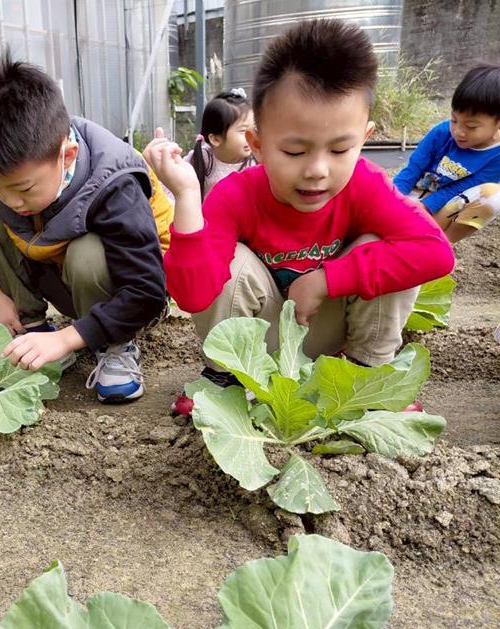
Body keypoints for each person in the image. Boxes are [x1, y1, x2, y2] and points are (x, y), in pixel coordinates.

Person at [144, 19, 454, 415]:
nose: (317, 170)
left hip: (331, 330)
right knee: (232, 262)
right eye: (294, 152)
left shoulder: (366, 185)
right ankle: (227, 378)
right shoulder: (235, 196)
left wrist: (326, 280)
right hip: (262, 343)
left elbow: (436, 253)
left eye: (340, 150)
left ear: (365, 138)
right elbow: (193, 296)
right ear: (257, 145)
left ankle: (367, 377)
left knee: (385, 246)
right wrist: (188, 196)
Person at [0, 51, 171, 403]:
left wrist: (67, 338)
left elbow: (147, 291)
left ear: (66, 156)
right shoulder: (15, 179)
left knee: (87, 253)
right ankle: (34, 332)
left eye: (23, 189)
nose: (10, 201)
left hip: (133, 296)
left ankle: (114, 346)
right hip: (67, 278)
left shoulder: (115, 186)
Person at [394, 64, 500, 244]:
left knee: (493, 197)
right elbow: (414, 168)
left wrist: (424, 207)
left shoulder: (496, 157)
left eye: (471, 126)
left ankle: (439, 246)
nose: (458, 131)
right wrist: (394, 198)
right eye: (454, 120)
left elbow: (461, 188)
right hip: (414, 193)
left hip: (444, 206)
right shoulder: (442, 132)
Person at [185, 88, 257, 199]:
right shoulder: (202, 158)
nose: (252, 135)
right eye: (243, 131)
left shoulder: (256, 162)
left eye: (254, 128)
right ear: (215, 139)